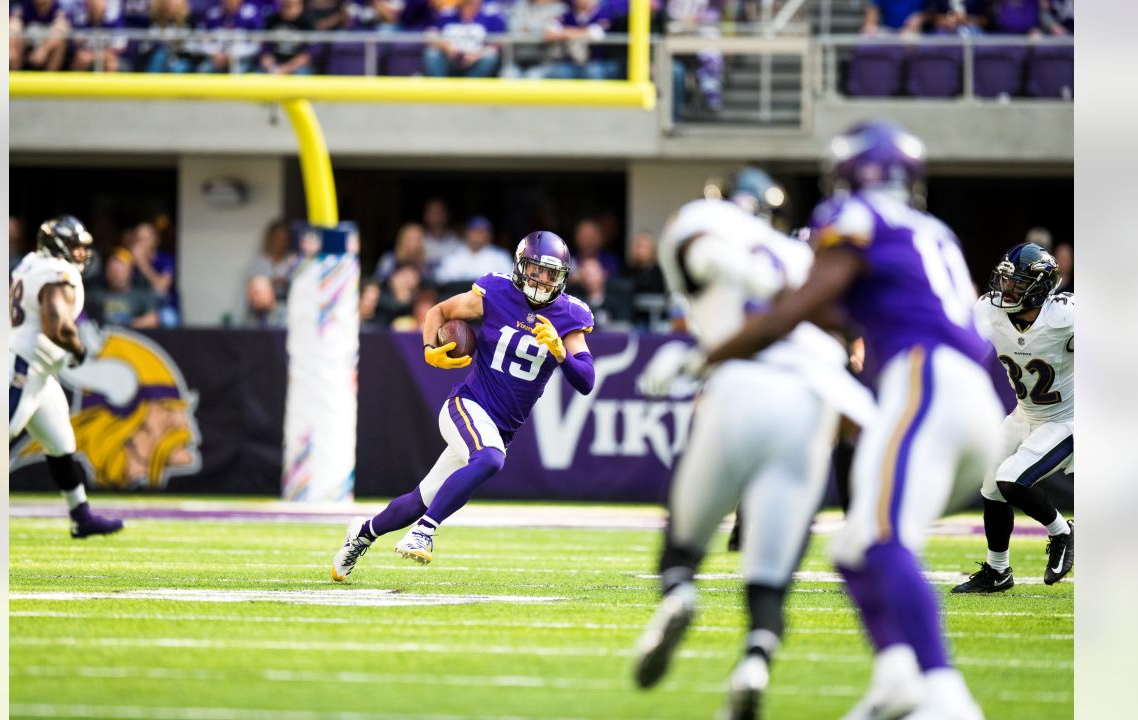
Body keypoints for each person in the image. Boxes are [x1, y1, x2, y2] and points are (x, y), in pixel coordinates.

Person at [693, 122, 1003, 720]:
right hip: (968, 395)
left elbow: (802, 309)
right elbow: (841, 310)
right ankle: (895, 676)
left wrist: (712, 353)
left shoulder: (857, 218)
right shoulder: (931, 231)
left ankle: (943, 694)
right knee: (856, 544)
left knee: (883, 540)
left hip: (926, 380)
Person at [631, 180, 877, 719]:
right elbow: (842, 329)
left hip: (740, 386)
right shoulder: (798, 254)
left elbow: (705, 252)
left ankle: (680, 595)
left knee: (684, 540)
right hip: (810, 403)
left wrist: (701, 354)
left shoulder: (705, 224)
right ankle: (755, 660)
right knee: (770, 572)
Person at [332, 231, 596, 578]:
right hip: (467, 405)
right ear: (520, 267)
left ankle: (361, 534)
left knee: (419, 499)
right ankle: (424, 532)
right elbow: (438, 312)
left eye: (551, 273)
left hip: (500, 426)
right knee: (489, 459)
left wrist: (561, 353)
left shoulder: (569, 315)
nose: (543, 280)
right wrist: (430, 350)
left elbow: (586, 380)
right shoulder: (496, 292)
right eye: (536, 270)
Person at [952, 243, 1073, 593]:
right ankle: (998, 571)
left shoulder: (1065, 316)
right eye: (1006, 280)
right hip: (1024, 414)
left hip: (1068, 418)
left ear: (1039, 288)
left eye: (1018, 284)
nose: (1007, 289)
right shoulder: (988, 311)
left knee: (1010, 478)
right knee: (991, 486)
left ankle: (1063, 533)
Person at [9, 216, 125, 538]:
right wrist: (77, 348)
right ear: (58, 245)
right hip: (23, 367)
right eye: (75, 246)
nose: (80, 254)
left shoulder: (29, 265)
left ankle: (81, 515)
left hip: (38, 372)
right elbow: (57, 326)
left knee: (60, 442)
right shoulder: (56, 272)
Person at [423, 0, 506, 78]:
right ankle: (441, 90)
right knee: (432, 53)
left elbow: (499, 41)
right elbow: (431, 33)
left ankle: (471, 90)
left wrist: (477, 55)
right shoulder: (448, 12)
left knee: (490, 56)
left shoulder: (490, 14)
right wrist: (447, 48)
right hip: (450, 58)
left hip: (477, 60)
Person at [89, 248, 161, 328]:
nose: (116, 274)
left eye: (120, 270)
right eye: (112, 270)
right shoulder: (95, 295)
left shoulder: (140, 294)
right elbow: (82, 317)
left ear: (129, 271)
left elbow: (153, 319)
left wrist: (129, 325)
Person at [432, 216, 514, 284]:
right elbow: (440, 279)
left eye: (483, 231)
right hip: (456, 299)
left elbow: (511, 282)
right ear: (467, 233)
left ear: (490, 235)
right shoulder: (454, 255)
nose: (478, 235)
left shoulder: (501, 256)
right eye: (475, 230)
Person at [258, 0, 319, 75]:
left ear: (300, 6)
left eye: (290, 5)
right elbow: (265, 50)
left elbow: (307, 54)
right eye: (284, 5)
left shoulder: (307, 23)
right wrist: (271, 67)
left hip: (297, 66)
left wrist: (287, 68)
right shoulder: (271, 21)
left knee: (302, 74)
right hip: (275, 63)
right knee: (257, 73)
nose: (286, 9)